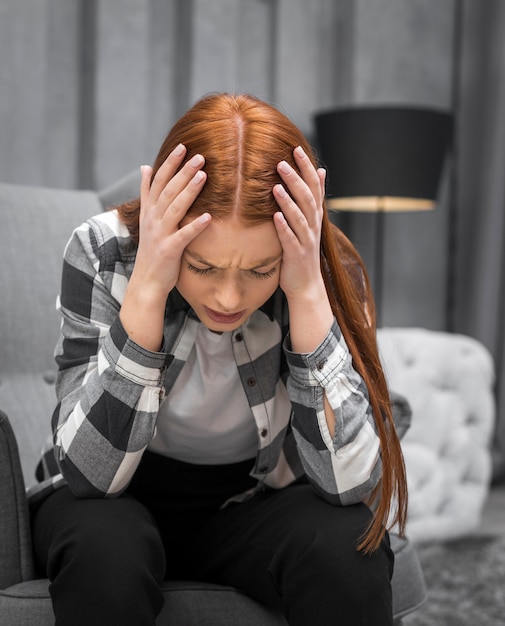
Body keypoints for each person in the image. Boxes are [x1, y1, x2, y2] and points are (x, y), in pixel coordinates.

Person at [31, 92, 409, 626]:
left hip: (248, 502)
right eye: (202, 266)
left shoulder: (322, 268)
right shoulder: (103, 251)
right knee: (106, 548)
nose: (228, 299)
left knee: (348, 545)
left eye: (259, 271)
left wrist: (304, 292)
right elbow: (91, 476)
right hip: (109, 502)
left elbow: (348, 484)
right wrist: (148, 287)